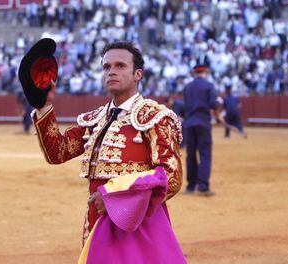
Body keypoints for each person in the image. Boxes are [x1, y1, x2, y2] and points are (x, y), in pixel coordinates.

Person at [24, 40, 186, 262]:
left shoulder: (156, 118)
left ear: (138, 74)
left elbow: (171, 177)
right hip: (97, 221)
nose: (112, 71)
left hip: (136, 224)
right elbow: (58, 152)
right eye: (106, 67)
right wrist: (44, 106)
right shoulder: (97, 119)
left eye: (120, 66)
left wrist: (114, 199)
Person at [183, 64, 220, 196]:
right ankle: (203, 186)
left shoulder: (187, 87)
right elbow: (213, 104)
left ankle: (191, 186)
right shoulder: (208, 86)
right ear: (205, 72)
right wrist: (218, 103)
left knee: (191, 155)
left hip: (189, 124)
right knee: (205, 154)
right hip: (203, 123)